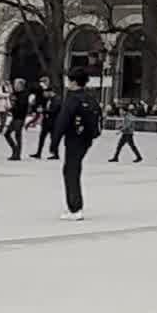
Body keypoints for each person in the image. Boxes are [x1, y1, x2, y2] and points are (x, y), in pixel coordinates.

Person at [54, 68, 102, 215]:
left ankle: (75, 208)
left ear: (74, 82)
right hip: (86, 138)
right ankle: (76, 205)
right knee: (74, 168)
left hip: (73, 138)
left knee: (71, 171)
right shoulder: (90, 97)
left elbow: (62, 121)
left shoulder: (72, 99)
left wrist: (54, 142)